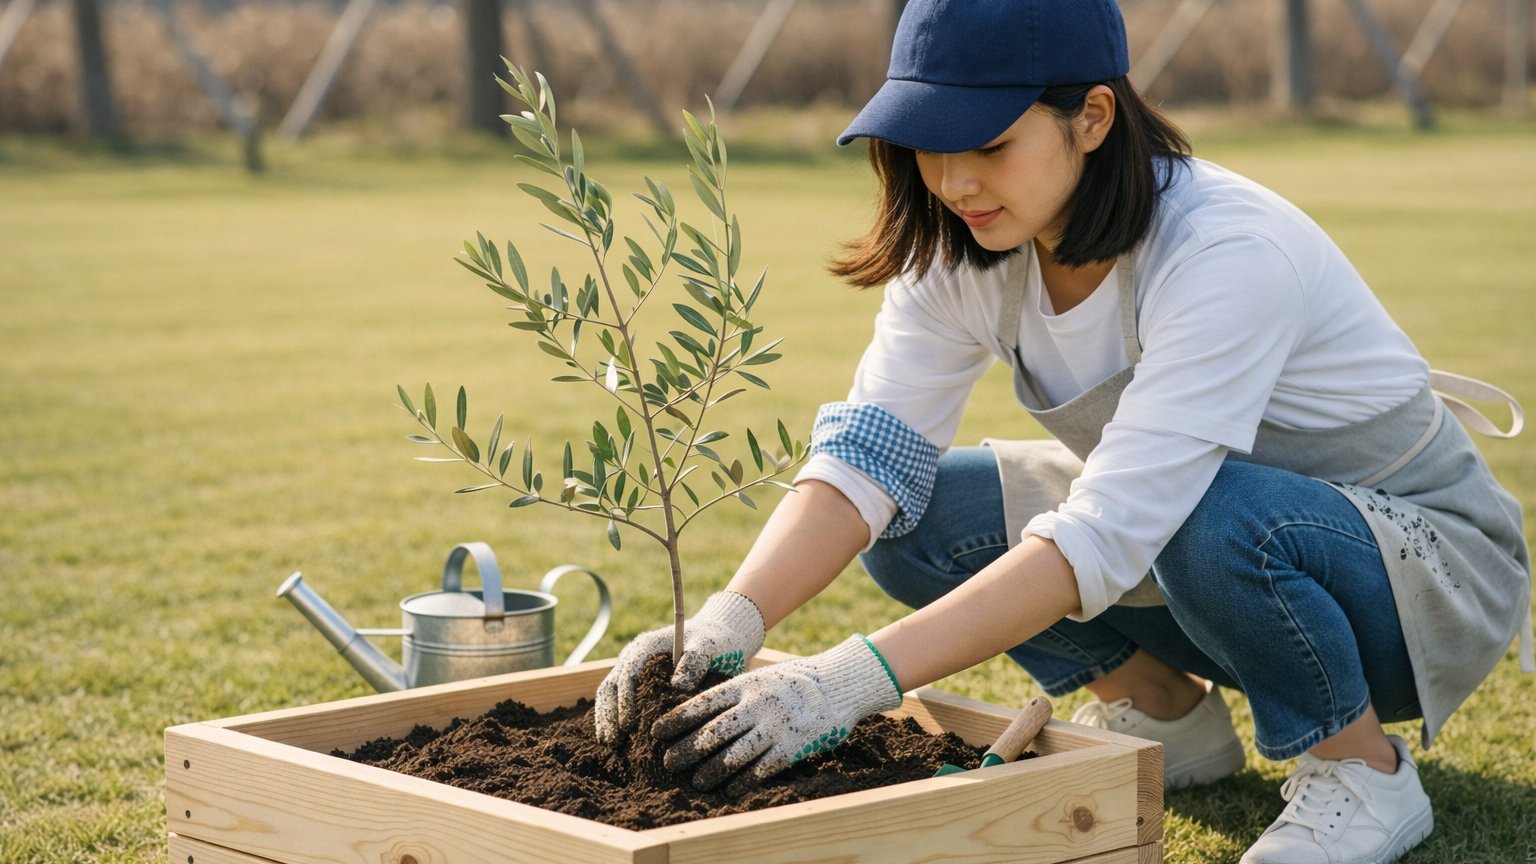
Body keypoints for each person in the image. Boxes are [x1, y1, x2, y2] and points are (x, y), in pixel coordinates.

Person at [593, 1, 1531, 862]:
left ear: (1092, 118)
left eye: (990, 144)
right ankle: (1168, 716)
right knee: (919, 516)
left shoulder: (1224, 252)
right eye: (927, 144)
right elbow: (869, 458)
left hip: (1417, 583)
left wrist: (843, 683)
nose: (955, 181)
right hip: (1199, 547)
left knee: (1210, 515)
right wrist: (731, 618)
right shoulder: (971, 244)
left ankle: (1361, 768)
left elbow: (1112, 528)